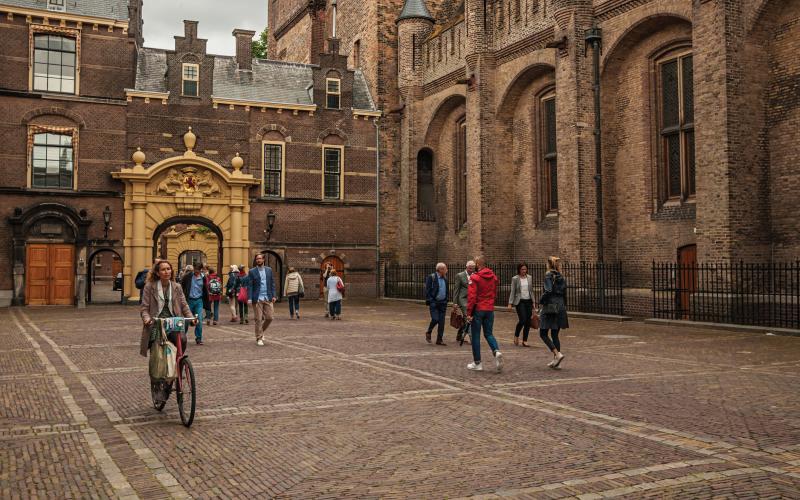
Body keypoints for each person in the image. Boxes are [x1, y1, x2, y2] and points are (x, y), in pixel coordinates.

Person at [139, 259, 195, 403]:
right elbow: (144, 308)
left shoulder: (176, 286)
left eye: (168, 269)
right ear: (157, 273)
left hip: (173, 323)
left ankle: (178, 369)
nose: (166, 272)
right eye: (163, 269)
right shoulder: (149, 287)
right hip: (156, 324)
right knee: (159, 356)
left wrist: (191, 317)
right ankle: (158, 385)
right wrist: (146, 319)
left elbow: (184, 304)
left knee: (182, 339)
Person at [466, 256, 503, 372]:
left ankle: (478, 363)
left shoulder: (475, 277)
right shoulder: (493, 277)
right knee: (489, 334)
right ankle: (496, 351)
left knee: (476, 336)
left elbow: (472, 297)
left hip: (478, 309)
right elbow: (495, 292)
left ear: (477, 264)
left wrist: (469, 313)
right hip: (489, 309)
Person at [539, 256, 568, 369]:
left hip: (551, 306)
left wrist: (541, 301)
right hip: (560, 306)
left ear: (548, 264)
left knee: (543, 333)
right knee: (555, 334)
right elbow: (564, 293)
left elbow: (548, 290)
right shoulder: (561, 276)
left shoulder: (548, 275)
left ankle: (557, 354)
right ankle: (556, 360)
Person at [247, 254, 276, 346]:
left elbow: (272, 283)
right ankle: (259, 338)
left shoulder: (269, 270)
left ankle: (261, 331)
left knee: (270, 317)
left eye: (260, 258)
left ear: (263, 259)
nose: (258, 260)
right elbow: (250, 286)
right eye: (257, 259)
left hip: (268, 297)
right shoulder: (252, 271)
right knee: (258, 319)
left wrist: (274, 295)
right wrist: (250, 298)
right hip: (257, 298)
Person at [181, 262, 210, 345]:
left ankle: (198, 338)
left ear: (201, 270)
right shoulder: (187, 276)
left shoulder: (203, 277)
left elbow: (205, 289)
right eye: (195, 269)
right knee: (186, 320)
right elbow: (182, 286)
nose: (196, 271)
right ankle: (183, 337)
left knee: (199, 320)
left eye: (197, 270)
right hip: (189, 301)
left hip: (198, 301)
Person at [508, 262, 535, 347]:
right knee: (522, 320)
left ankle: (525, 340)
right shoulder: (515, 278)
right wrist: (510, 303)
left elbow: (531, 291)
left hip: (528, 301)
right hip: (520, 302)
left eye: (525, 269)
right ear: (519, 270)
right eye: (522, 269)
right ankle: (516, 335)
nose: (524, 271)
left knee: (528, 321)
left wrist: (533, 302)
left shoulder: (529, 277)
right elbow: (513, 291)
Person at [424, 262, 449, 345]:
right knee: (435, 319)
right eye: (445, 269)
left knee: (442, 322)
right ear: (440, 269)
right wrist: (431, 300)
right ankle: (429, 332)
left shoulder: (445, 278)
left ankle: (439, 339)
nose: (446, 270)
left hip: (443, 303)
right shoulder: (432, 277)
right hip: (434, 302)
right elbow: (427, 290)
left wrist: (446, 300)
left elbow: (446, 290)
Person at [452, 260, 474, 344]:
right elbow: (456, 289)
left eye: (472, 268)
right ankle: (471, 337)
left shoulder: (475, 275)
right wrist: (455, 303)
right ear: (466, 267)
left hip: (472, 299)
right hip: (463, 299)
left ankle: (459, 334)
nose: (471, 270)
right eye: (470, 268)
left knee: (467, 318)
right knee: (467, 316)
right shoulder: (460, 275)